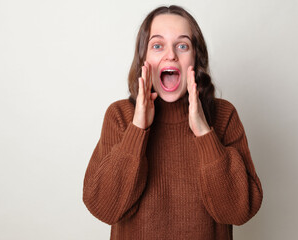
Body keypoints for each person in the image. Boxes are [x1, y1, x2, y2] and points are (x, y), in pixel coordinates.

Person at [83, 5, 263, 240]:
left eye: (182, 45)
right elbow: (104, 207)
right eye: (157, 46)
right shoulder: (119, 116)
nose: (171, 55)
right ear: (143, 59)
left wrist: (204, 133)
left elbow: (240, 211)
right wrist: (137, 129)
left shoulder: (224, 116)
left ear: (195, 58)